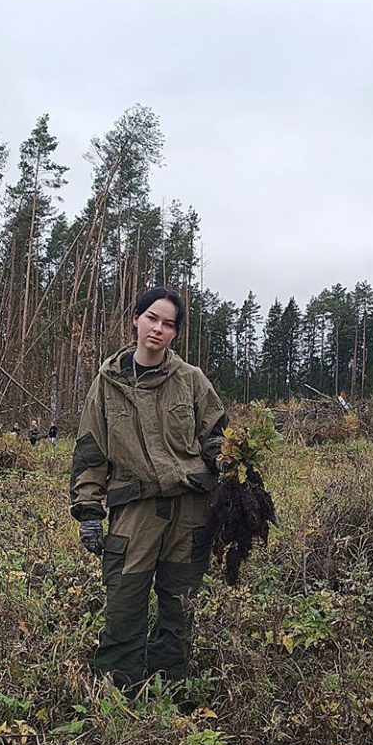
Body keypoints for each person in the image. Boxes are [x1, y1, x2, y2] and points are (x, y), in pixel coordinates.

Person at [70, 285, 226, 693]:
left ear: (176, 333)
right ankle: (116, 695)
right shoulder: (106, 385)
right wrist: (88, 510)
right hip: (133, 513)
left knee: (179, 609)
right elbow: (91, 453)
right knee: (124, 604)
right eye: (152, 318)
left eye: (169, 324)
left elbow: (216, 438)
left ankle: (169, 693)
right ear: (135, 320)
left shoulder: (192, 381)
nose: (158, 329)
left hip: (188, 513)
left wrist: (229, 464)